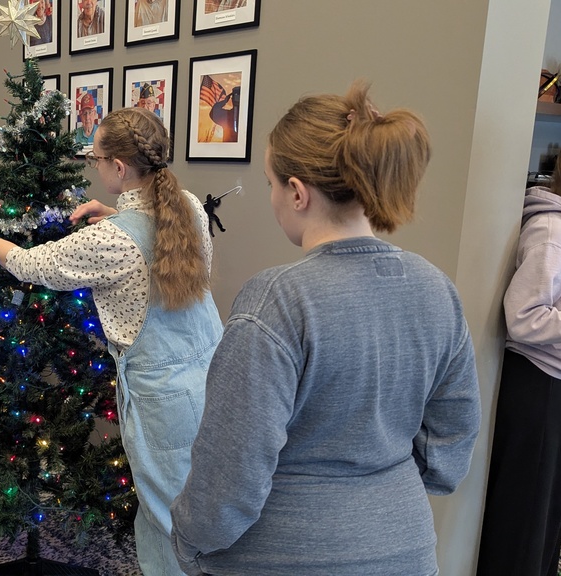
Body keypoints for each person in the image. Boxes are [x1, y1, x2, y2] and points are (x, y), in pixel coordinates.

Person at [170, 83, 481, 575]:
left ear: (297, 192)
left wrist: (188, 542)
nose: (273, 198)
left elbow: (230, 472)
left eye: (272, 184)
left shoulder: (276, 301)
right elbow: (452, 444)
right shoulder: (437, 288)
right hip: (405, 548)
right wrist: (379, 487)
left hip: (282, 555)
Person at [0, 107, 223, 576]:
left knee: (166, 516)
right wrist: (114, 214)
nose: (94, 165)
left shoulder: (113, 241)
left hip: (162, 395)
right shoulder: (188, 205)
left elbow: (29, 265)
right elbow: (146, 231)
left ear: (118, 168)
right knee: (201, 503)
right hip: (212, 376)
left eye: (95, 158)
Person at [477, 131, 561, 576]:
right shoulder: (553, 234)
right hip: (539, 384)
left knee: (545, 510)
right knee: (526, 517)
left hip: (560, 380)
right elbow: (523, 317)